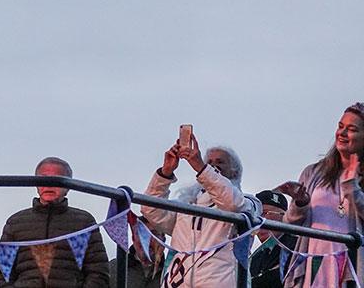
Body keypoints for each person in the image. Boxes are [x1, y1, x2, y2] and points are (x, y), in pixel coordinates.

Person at [141, 131, 260, 288]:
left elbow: (232, 204)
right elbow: (150, 210)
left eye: (220, 162)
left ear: (235, 171)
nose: (213, 166)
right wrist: (165, 173)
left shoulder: (249, 202)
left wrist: (201, 167)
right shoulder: (188, 205)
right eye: (209, 161)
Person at [278, 102, 364, 287]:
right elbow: (290, 223)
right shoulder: (314, 172)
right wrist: (300, 203)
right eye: (340, 126)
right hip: (313, 261)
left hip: (351, 266)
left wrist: (352, 188)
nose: (342, 133)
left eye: (351, 129)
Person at [0, 157, 110, 287]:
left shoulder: (84, 222)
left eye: (56, 179)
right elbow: (3, 272)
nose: (49, 184)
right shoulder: (15, 222)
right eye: (43, 178)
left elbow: (98, 271)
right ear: (35, 184)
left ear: (68, 186)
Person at [250, 190, 296, 288]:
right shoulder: (255, 258)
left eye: (266, 213)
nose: (259, 220)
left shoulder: (296, 248)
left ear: (284, 216)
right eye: (256, 215)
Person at [108, 216, 165, 288]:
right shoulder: (114, 269)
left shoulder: (172, 274)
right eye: (142, 233)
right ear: (133, 238)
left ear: (163, 241)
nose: (147, 240)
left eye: (154, 234)